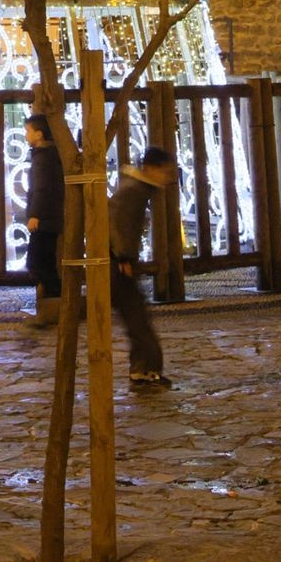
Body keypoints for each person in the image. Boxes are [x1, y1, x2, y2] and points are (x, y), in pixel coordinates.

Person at [108, 143, 175, 389]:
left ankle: (143, 368)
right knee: (136, 316)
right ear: (149, 168)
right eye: (163, 171)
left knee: (135, 316)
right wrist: (124, 257)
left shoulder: (137, 189)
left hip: (118, 260)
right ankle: (146, 369)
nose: (167, 177)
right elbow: (118, 222)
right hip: (118, 262)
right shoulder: (134, 190)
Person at [23, 111, 64, 327]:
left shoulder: (44, 157)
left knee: (38, 264)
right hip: (50, 217)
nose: (26, 135)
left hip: (45, 218)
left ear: (39, 134)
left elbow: (41, 188)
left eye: (28, 131)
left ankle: (57, 309)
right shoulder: (48, 154)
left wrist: (35, 215)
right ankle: (52, 311)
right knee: (44, 264)